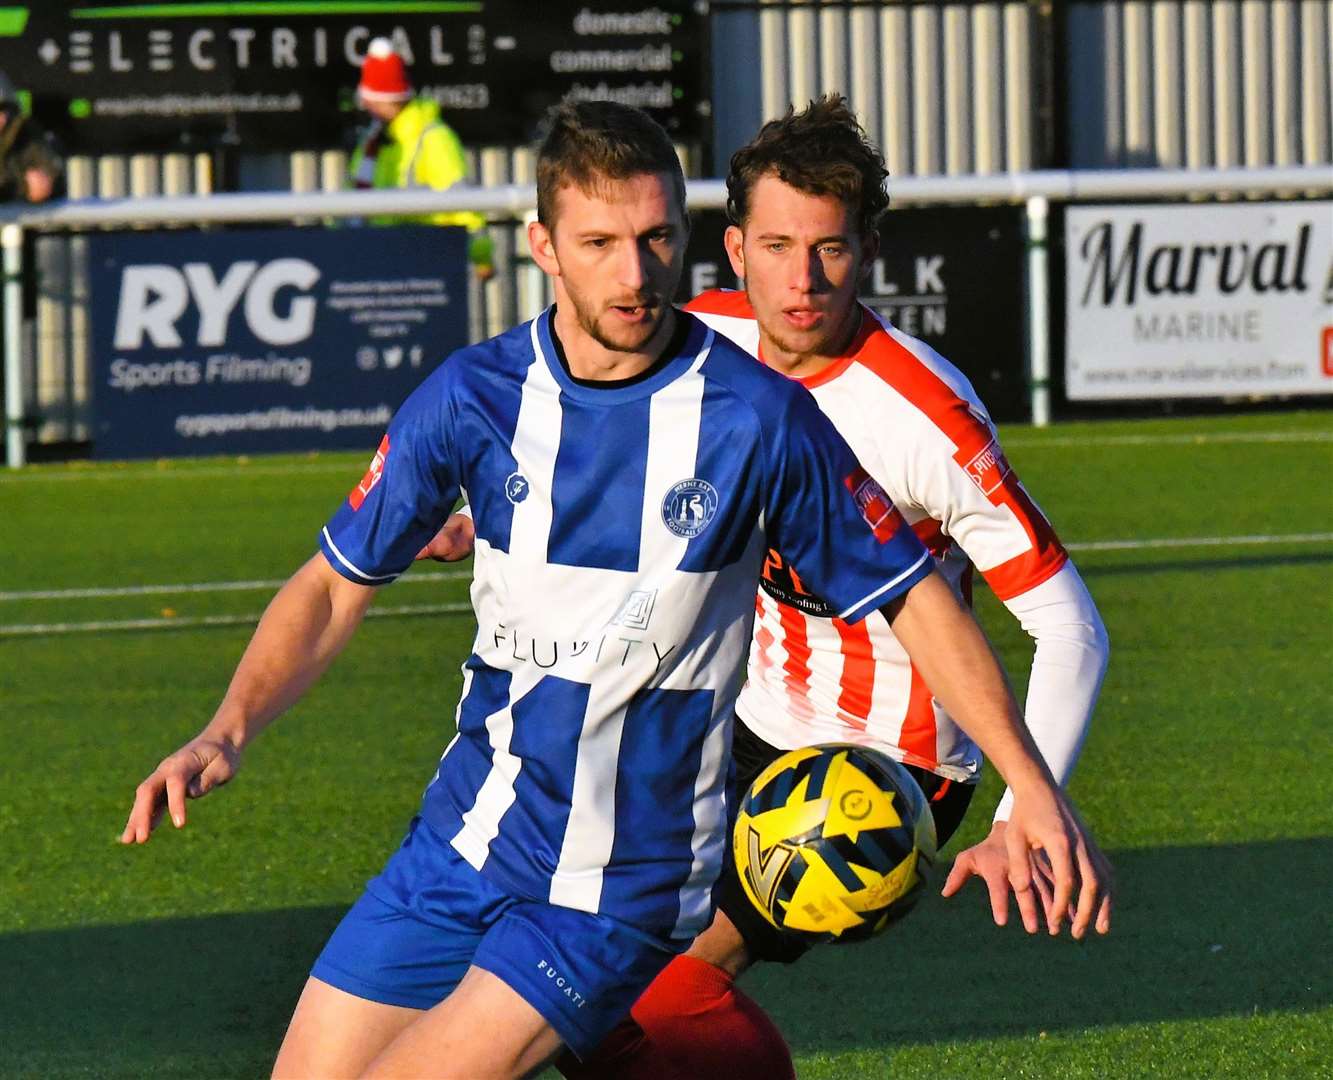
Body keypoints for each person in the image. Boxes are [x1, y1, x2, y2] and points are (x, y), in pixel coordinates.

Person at [123, 99, 1107, 1079]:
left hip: (639, 859)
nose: (633, 274)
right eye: (599, 242)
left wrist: (1032, 793)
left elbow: (916, 598)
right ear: (543, 246)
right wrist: (228, 725)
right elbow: (333, 585)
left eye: (652, 240)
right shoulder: (474, 395)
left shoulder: (765, 417)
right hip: (466, 835)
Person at [422, 96, 1114, 1079]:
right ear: (735, 249)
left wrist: (1022, 815)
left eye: (829, 248)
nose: (802, 279)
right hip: (732, 715)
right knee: (532, 945)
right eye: (779, 245)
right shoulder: (698, 345)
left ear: (867, 250)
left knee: (638, 991)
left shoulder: (926, 418)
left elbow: (1068, 626)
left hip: (877, 768)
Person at [350, 37, 493, 278]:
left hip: (428, 266)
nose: (364, 104)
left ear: (382, 98)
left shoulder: (434, 138)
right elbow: (350, 202)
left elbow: (462, 203)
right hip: (377, 265)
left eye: (369, 96)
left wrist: (481, 257)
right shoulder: (373, 142)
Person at [0, 72, 60, 205]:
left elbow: (51, 171)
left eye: (4, 109)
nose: (2, 118)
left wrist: (44, 183)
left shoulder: (26, 135)